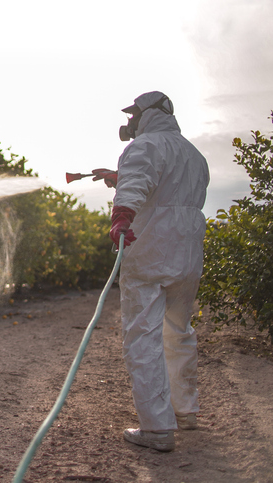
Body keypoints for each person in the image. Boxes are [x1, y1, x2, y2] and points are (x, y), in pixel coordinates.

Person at [101, 91, 210, 452]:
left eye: (134, 114)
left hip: (149, 251)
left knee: (142, 335)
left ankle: (157, 429)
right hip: (188, 255)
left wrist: (120, 217)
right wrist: (118, 177)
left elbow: (140, 184)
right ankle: (185, 412)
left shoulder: (143, 146)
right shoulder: (193, 154)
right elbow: (166, 189)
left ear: (150, 113)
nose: (130, 120)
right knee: (178, 331)